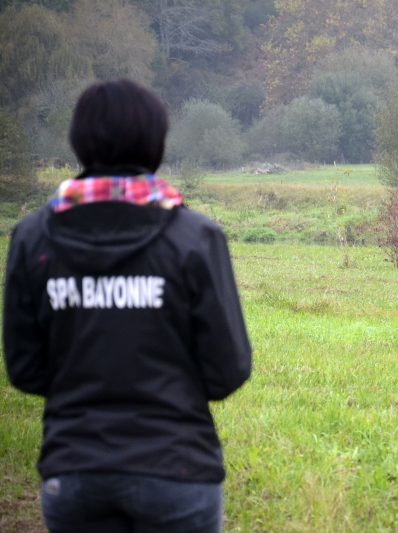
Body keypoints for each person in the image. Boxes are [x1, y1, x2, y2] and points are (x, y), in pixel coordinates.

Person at [3, 79, 252, 532]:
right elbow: (227, 370)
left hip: (74, 470)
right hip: (178, 469)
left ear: (79, 142)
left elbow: (24, 369)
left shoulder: (31, 238)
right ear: (155, 144)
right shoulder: (195, 238)